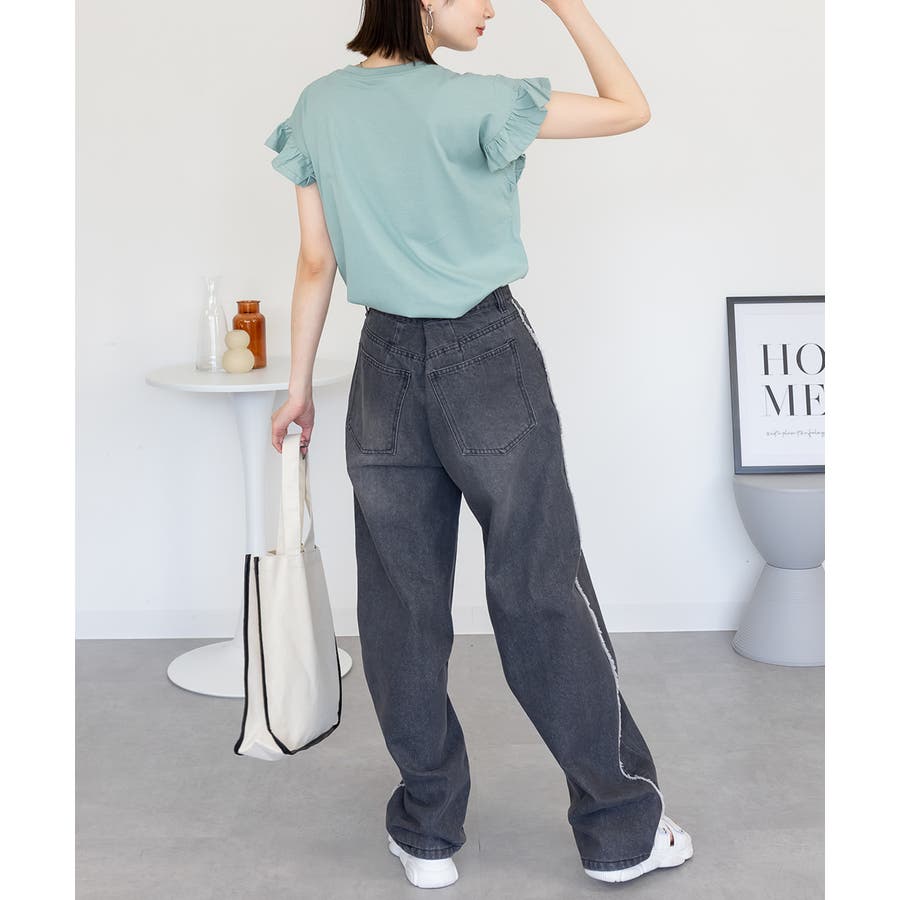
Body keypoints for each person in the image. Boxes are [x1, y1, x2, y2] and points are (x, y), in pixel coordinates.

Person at [269, 0, 693, 889]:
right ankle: (619, 832)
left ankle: (428, 833)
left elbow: (316, 260)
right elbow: (629, 107)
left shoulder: (318, 105)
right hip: (487, 359)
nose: (491, 6)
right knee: (542, 590)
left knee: (400, 606)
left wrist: (299, 386)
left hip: (381, 367)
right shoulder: (480, 101)